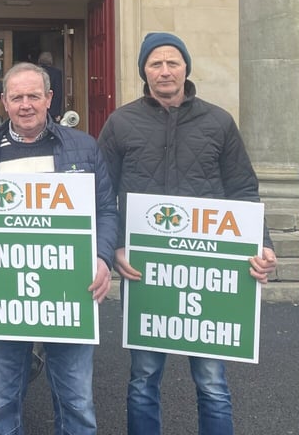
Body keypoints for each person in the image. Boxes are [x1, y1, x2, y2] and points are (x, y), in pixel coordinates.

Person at [98, 32, 277, 435]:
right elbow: (102, 191)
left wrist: (262, 242)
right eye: (155, 64)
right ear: (144, 71)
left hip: (208, 271)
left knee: (212, 381)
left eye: (172, 62)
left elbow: (243, 188)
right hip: (144, 268)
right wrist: (114, 246)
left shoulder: (218, 121)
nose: (164, 71)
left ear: (186, 68)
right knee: (144, 377)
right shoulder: (120, 122)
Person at [0, 62, 117, 435]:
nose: (26, 105)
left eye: (33, 96)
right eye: (17, 97)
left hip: (68, 293)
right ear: (4, 103)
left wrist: (104, 258)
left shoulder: (84, 148)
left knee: (76, 402)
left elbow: (106, 210)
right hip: (1, 292)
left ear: (49, 99)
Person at [37, 51, 65, 118]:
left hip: (37, 106)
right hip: (52, 109)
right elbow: (58, 93)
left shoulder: (35, 71)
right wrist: (57, 112)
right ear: (51, 60)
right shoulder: (56, 73)